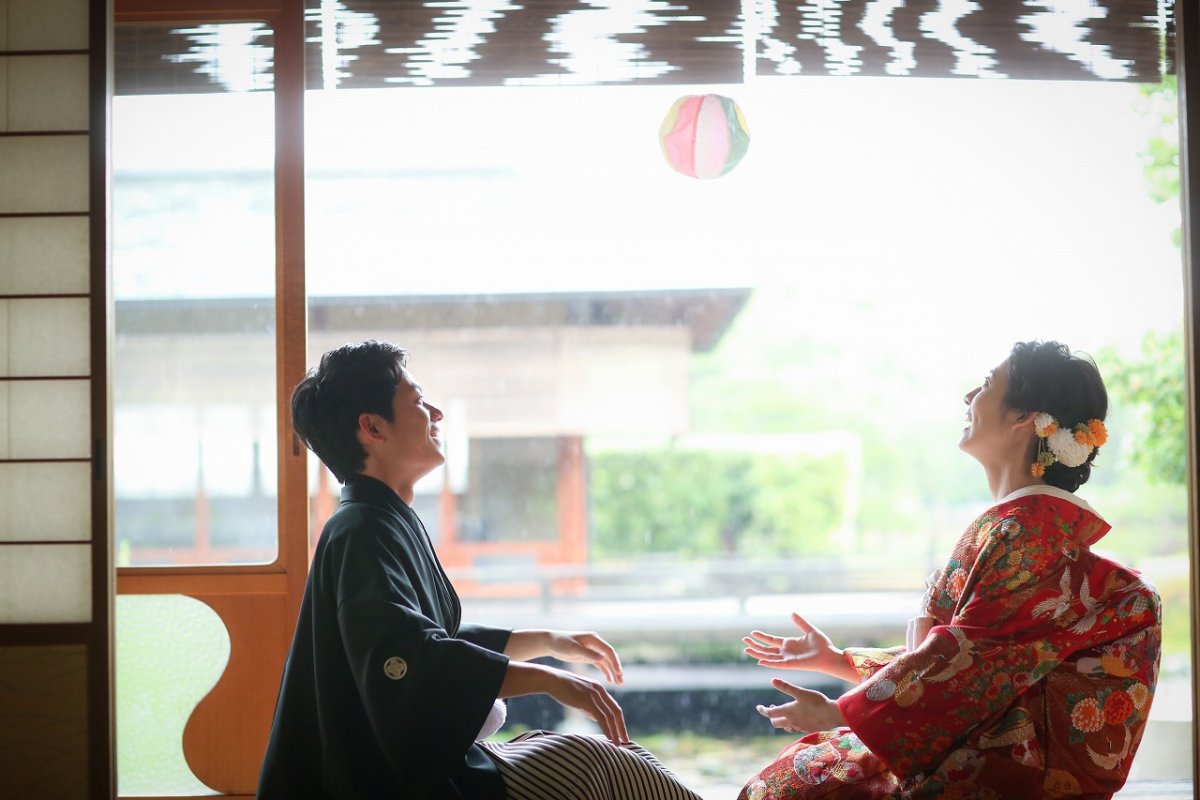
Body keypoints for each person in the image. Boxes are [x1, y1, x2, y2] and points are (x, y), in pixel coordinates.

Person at [258, 340, 702, 800]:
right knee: (604, 767)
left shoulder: (377, 520)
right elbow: (410, 660)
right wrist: (550, 679)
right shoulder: (360, 530)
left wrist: (547, 643)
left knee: (622, 763)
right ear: (372, 427)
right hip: (388, 784)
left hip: (424, 765)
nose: (435, 413)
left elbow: (430, 643)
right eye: (416, 401)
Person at [737, 340, 1162, 799]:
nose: (968, 397)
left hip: (1001, 774)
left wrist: (839, 713)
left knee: (797, 783)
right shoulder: (1023, 528)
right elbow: (967, 661)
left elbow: (966, 664)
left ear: (1023, 418)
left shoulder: (1027, 535)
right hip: (984, 751)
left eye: (985, 385)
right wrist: (835, 661)